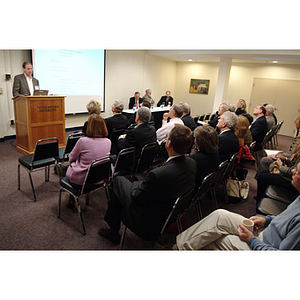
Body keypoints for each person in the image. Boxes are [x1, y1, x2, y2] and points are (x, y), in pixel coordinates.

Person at [98, 124, 197, 244]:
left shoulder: (158, 174)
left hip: (147, 220)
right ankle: (113, 224)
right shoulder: (192, 163)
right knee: (120, 191)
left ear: (168, 143)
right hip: (167, 213)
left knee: (118, 180)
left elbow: (136, 196)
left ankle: (113, 230)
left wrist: (135, 185)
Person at [174, 162, 300, 251]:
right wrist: (266, 220)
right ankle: (179, 247)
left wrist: (252, 240)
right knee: (220, 216)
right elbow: (284, 220)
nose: (292, 171)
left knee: (215, 239)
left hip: (263, 246)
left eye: (298, 172)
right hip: (266, 232)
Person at [189, 125, 220, 190]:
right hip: (204, 189)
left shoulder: (193, 160)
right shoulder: (216, 152)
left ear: (199, 141)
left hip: (193, 189)